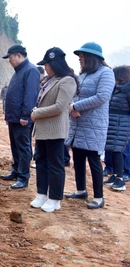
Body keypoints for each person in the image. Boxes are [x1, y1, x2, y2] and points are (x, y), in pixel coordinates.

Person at [64, 42, 115, 209]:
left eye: (82, 56)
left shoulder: (106, 73)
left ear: (92, 57)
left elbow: (102, 97)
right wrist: (71, 106)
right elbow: (73, 94)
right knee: (77, 157)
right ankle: (81, 190)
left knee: (93, 160)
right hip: (78, 124)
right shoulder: (83, 75)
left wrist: (76, 106)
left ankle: (99, 197)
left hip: (94, 125)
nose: (80, 59)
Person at [29, 47, 77, 212]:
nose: (46, 68)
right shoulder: (49, 80)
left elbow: (59, 106)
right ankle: (41, 193)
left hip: (55, 130)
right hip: (42, 129)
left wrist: (37, 113)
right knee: (41, 162)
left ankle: (55, 198)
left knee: (55, 165)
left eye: (47, 65)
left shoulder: (67, 81)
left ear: (55, 64)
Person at [0, 44, 40, 189]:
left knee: (23, 147)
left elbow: (30, 96)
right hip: (13, 118)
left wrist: (25, 115)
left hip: (22, 119)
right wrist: (8, 116)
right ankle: (16, 170)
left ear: (18, 55)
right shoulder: (18, 71)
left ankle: (23, 177)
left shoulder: (30, 71)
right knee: (15, 146)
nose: (9, 61)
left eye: (10, 57)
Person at [103, 65, 130, 191]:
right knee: (112, 150)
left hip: (122, 124)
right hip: (113, 123)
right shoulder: (117, 89)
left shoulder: (127, 89)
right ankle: (114, 175)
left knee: (118, 151)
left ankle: (120, 178)